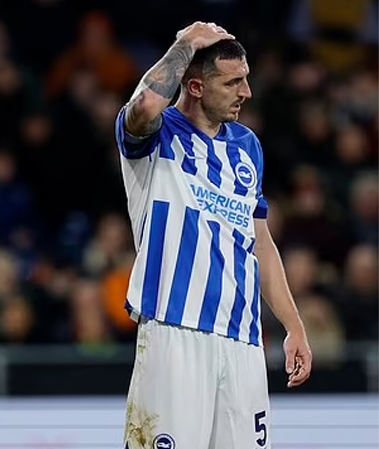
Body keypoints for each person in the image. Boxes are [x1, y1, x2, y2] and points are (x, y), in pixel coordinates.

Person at [114, 22, 313, 449]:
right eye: (233, 82)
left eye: (247, 79)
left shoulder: (247, 146)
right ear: (197, 87)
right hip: (175, 331)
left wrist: (293, 325)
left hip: (243, 340)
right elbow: (146, 103)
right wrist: (185, 43)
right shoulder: (157, 136)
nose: (247, 92)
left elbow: (260, 242)